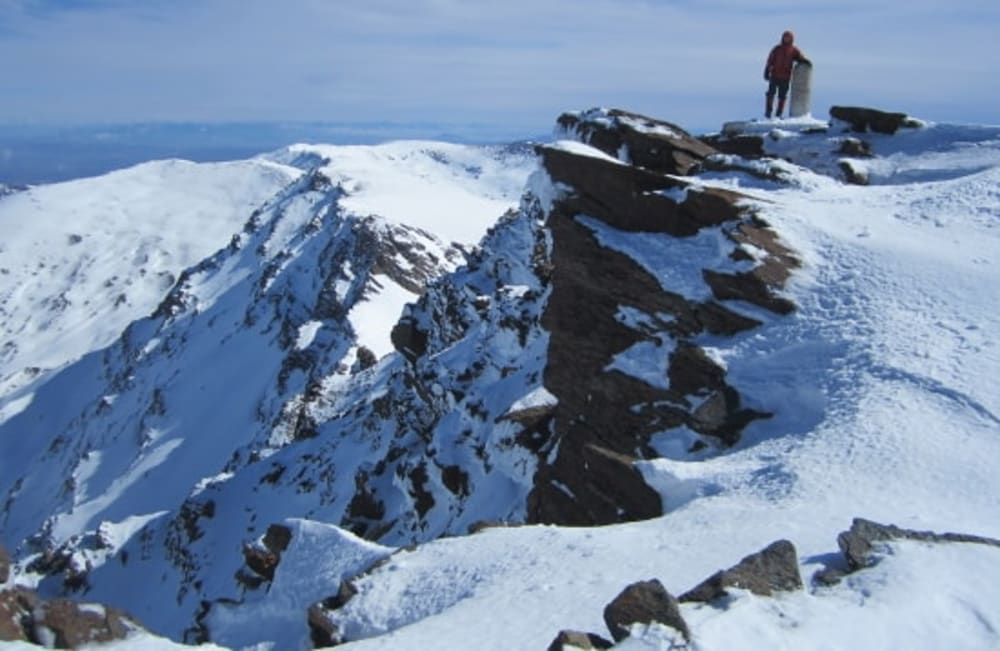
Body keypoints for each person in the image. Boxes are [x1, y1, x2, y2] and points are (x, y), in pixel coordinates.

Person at [763, 30, 811, 119]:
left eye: (788, 37)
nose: (786, 39)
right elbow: (770, 60)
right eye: (785, 37)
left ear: (791, 39)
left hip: (785, 77)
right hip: (775, 75)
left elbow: (800, 58)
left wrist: (805, 62)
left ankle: (778, 114)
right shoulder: (777, 49)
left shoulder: (793, 50)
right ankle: (768, 112)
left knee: (782, 96)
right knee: (770, 94)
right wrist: (767, 71)